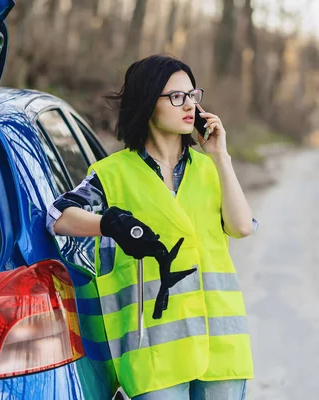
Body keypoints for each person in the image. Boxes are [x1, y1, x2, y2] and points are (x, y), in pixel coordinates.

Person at [46, 55, 255, 399]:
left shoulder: (209, 169)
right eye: (176, 97)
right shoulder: (113, 174)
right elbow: (58, 217)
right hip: (156, 351)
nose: (189, 105)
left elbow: (241, 227)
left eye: (193, 95)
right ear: (148, 103)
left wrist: (221, 156)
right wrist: (109, 224)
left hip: (221, 344)